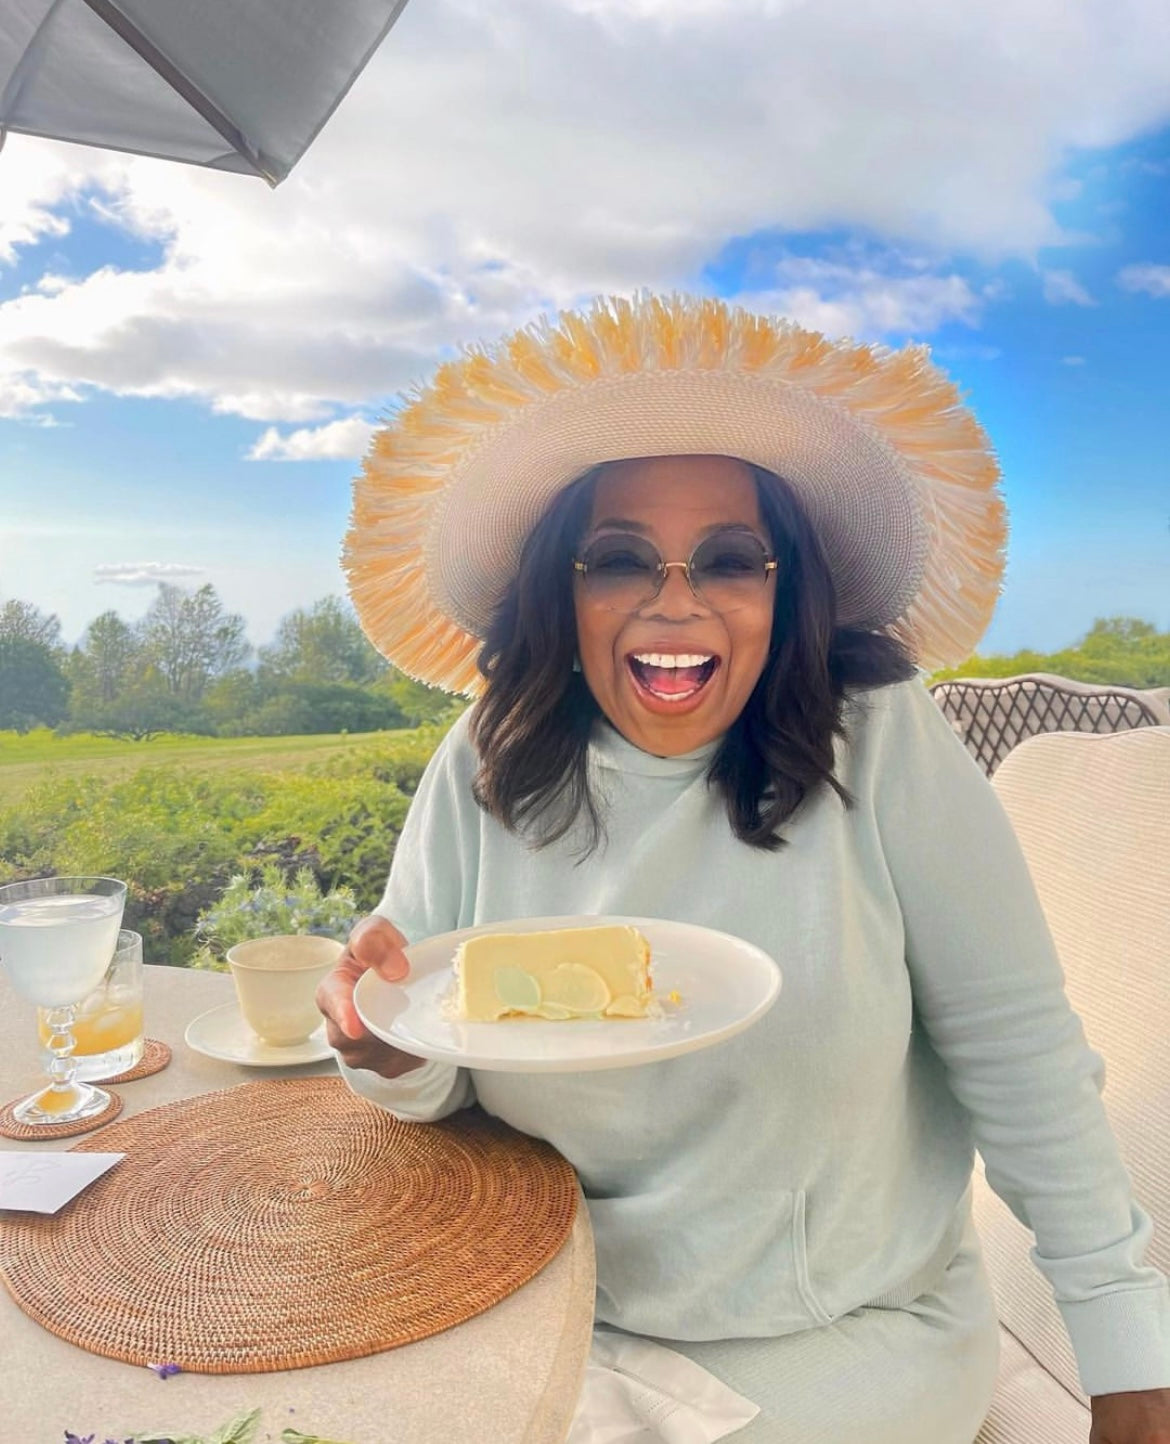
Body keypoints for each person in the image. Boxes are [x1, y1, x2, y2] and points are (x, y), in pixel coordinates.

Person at [320, 294, 1170, 1443]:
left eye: (731, 558)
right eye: (619, 559)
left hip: (840, 1339)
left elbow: (1020, 1051)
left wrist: (1128, 1361)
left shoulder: (874, 739)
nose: (677, 600)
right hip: (549, 1308)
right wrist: (383, 1046)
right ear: (561, 593)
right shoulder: (490, 759)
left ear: (787, 589)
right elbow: (435, 1069)